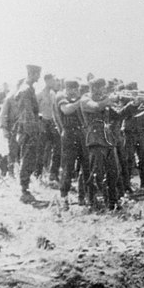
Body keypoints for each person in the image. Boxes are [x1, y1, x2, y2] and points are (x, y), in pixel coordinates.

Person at [80, 78, 119, 209]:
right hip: (95, 140)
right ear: (93, 88)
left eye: (103, 87)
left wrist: (134, 105)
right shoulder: (85, 99)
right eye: (101, 87)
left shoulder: (104, 101)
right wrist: (109, 100)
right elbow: (96, 107)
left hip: (108, 140)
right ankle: (92, 202)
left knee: (113, 172)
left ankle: (112, 202)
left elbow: (118, 115)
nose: (103, 90)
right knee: (96, 173)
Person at [56, 79, 90, 208]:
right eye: (71, 89)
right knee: (67, 167)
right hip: (69, 135)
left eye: (76, 89)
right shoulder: (61, 98)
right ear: (67, 89)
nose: (74, 92)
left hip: (81, 134)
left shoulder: (79, 99)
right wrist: (80, 101)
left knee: (86, 165)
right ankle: (64, 197)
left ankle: (84, 196)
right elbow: (66, 110)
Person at [14, 64, 42, 203]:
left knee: (28, 159)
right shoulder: (26, 90)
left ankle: (25, 188)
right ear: (32, 74)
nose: (39, 77)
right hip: (28, 131)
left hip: (28, 130)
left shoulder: (28, 88)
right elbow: (27, 114)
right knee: (27, 159)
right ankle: (24, 190)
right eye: (37, 74)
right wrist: (32, 133)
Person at [37, 73, 61, 183]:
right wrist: (40, 122)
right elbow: (35, 111)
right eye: (52, 80)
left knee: (58, 148)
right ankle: (37, 174)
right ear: (46, 81)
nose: (55, 83)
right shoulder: (39, 94)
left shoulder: (53, 94)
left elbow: (55, 111)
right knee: (41, 149)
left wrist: (59, 125)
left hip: (52, 123)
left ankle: (53, 174)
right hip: (42, 123)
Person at [0, 78, 24, 177]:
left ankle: (21, 173)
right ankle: (11, 172)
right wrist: (4, 129)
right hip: (12, 128)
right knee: (12, 151)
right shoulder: (10, 99)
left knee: (21, 152)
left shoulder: (26, 98)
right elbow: (3, 115)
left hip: (22, 129)